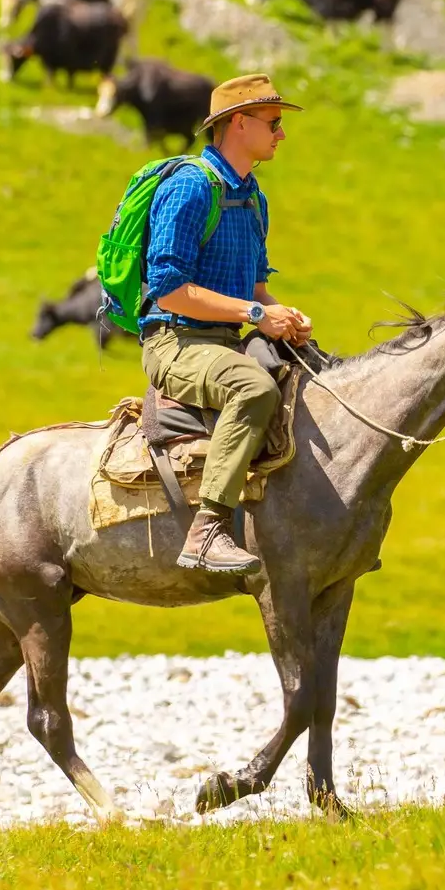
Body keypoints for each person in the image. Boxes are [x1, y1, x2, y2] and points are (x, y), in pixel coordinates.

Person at [141, 73, 315, 574]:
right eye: (274, 122)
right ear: (239, 123)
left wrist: (284, 317)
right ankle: (207, 529)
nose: (282, 134)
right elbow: (170, 288)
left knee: (313, 370)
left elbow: (257, 290)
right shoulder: (190, 187)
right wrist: (257, 315)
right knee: (256, 390)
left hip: (226, 339)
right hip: (174, 342)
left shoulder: (254, 197)